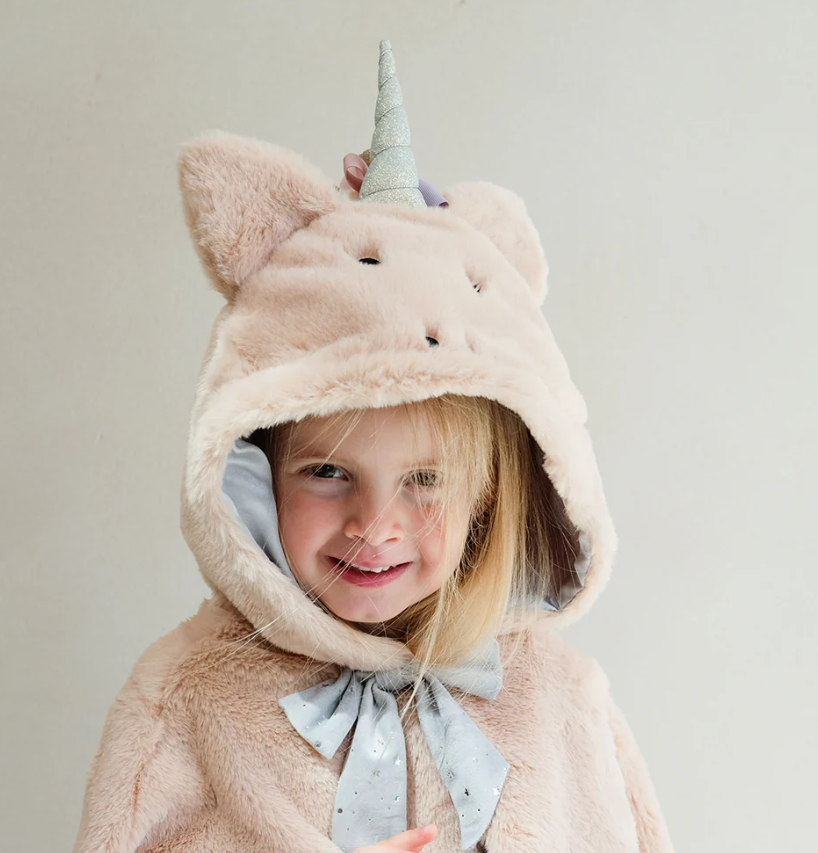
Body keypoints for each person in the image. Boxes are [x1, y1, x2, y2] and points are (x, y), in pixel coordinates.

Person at [72, 39, 674, 853]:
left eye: (425, 479)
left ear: (488, 492)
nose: (375, 524)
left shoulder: (561, 701)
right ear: (255, 473)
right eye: (327, 472)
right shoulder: (186, 700)